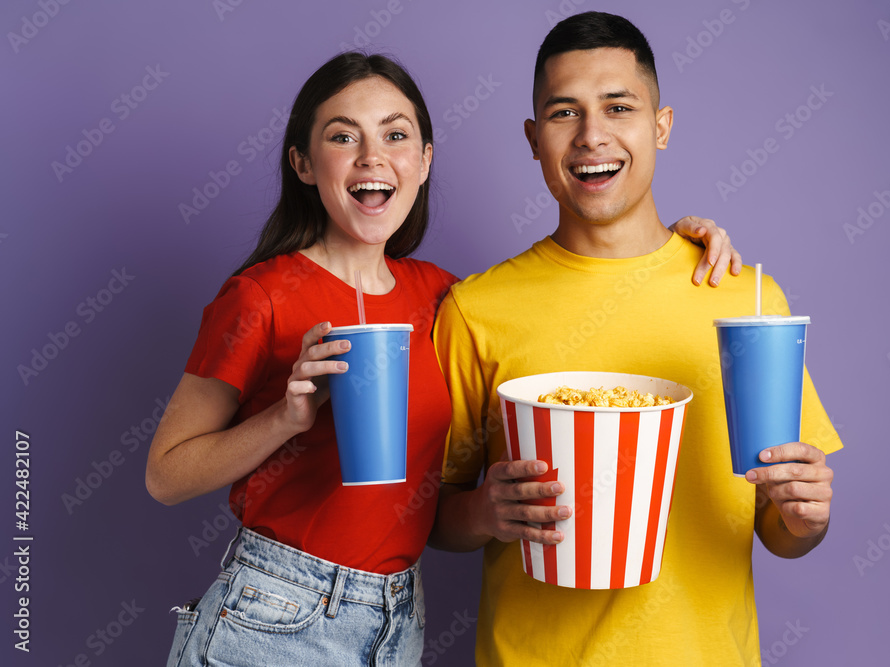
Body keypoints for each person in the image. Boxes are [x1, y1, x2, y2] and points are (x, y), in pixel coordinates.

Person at [145, 51, 738, 665]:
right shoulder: (259, 296)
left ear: (423, 161)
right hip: (275, 610)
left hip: (397, 617)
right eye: (342, 136)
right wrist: (283, 420)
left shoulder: (441, 297)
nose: (371, 157)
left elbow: (554, 300)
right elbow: (165, 476)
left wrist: (676, 246)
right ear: (303, 163)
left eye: (395, 135)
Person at [430, 12, 842, 666]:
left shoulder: (744, 298)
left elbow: (779, 529)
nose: (593, 136)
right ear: (535, 139)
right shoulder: (475, 309)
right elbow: (431, 513)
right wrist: (484, 510)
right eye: (565, 114)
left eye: (618, 107)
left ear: (660, 126)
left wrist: (807, 518)